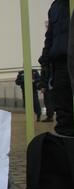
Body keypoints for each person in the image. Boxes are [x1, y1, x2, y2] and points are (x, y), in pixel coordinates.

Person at [39, 0, 73, 136]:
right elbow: (50, 36)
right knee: (64, 114)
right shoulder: (55, 6)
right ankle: (68, 149)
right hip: (60, 65)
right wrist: (45, 59)